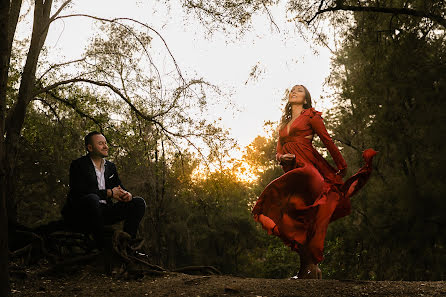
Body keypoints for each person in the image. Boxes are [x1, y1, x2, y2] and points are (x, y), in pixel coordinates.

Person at [251, 85, 377, 279]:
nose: (294, 92)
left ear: (306, 99)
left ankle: (310, 266)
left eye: (299, 90)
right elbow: (279, 149)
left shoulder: (311, 116)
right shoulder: (283, 124)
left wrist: (341, 166)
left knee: (302, 193)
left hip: (310, 168)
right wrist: (280, 158)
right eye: (292, 90)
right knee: (298, 218)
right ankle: (307, 267)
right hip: (292, 172)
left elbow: (327, 140)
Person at [61, 131, 146, 250]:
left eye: (105, 143)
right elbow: (80, 192)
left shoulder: (110, 167)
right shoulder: (78, 165)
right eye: (101, 143)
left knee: (138, 202)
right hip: (82, 213)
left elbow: (119, 186)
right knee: (92, 199)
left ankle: (127, 245)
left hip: (104, 212)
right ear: (90, 147)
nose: (105, 146)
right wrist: (109, 193)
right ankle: (102, 247)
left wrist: (127, 194)